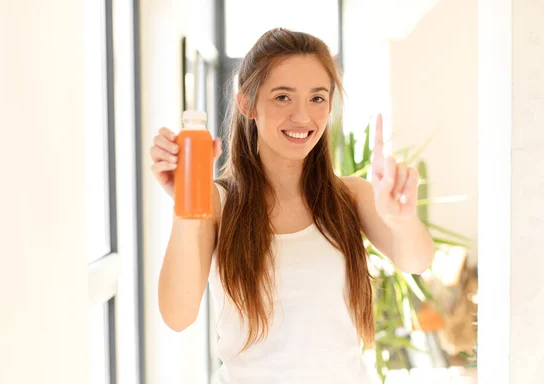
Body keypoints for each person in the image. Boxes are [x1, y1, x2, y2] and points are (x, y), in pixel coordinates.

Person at [150, 28, 434, 384]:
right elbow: (177, 315)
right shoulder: (219, 203)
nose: (303, 116)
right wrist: (186, 203)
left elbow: (417, 259)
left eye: (317, 99)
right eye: (283, 97)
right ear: (247, 104)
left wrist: (402, 219)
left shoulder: (351, 196)